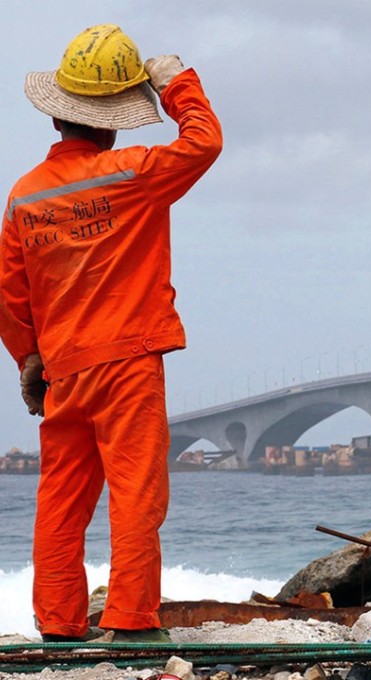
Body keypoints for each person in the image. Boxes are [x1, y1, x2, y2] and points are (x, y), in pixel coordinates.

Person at [0, 24, 222, 642]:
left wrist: (29, 360)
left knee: (61, 502)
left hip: (64, 372)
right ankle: (129, 621)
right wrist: (176, 82)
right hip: (127, 363)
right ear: (115, 121)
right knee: (135, 497)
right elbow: (204, 142)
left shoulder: (23, 197)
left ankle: (59, 623)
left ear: (57, 119)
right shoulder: (134, 173)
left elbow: (9, 297)